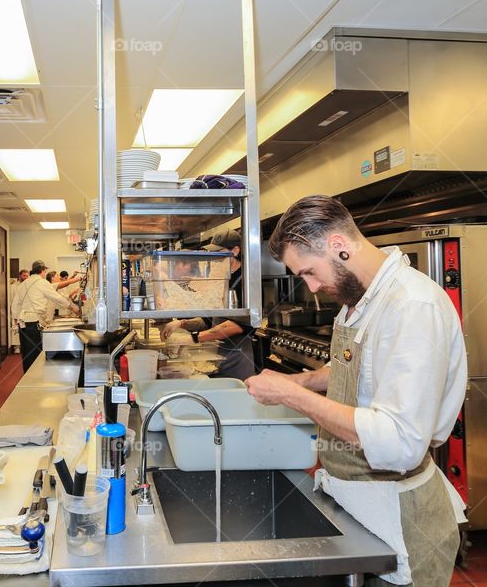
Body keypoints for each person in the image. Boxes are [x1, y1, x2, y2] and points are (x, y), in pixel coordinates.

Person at [245, 195, 467, 586]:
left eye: (310, 272)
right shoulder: (360, 299)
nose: (312, 286)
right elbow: (356, 366)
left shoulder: (412, 307)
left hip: (399, 519)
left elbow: (399, 441)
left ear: (337, 245)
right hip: (356, 505)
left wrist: (293, 397)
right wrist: (303, 380)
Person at [159, 229, 254, 379]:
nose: (214, 258)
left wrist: (195, 338)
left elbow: (237, 325)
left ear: (235, 251)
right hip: (216, 356)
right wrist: (182, 324)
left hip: (237, 358)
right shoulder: (221, 279)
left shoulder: (247, 281)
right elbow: (210, 319)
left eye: (219, 252)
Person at [11, 260, 79, 372]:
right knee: (36, 355)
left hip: (22, 323)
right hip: (34, 323)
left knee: (27, 354)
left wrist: (16, 320)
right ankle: (35, 378)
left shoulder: (23, 284)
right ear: (43, 270)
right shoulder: (42, 283)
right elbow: (57, 297)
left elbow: (15, 305)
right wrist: (73, 308)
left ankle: (27, 378)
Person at [9, 269, 29, 353]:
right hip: (16, 310)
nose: (26, 277)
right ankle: (16, 347)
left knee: (24, 328)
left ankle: (24, 346)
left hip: (25, 311)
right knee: (16, 329)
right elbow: (11, 299)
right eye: (24, 275)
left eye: (27, 276)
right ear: (20, 276)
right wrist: (12, 312)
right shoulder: (13, 286)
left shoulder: (27, 286)